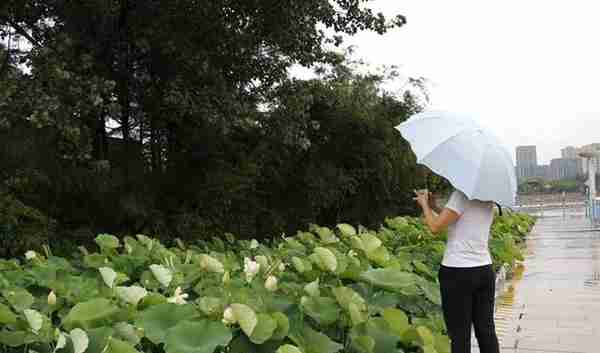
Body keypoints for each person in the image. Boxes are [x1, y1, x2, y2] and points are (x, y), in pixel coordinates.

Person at [413, 188, 500, 353]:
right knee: (486, 330)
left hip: (457, 273)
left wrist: (424, 205)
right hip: (484, 270)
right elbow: (458, 218)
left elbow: (435, 227)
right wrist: (435, 206)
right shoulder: (488, 197)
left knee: (460, 335)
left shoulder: (460, 194)